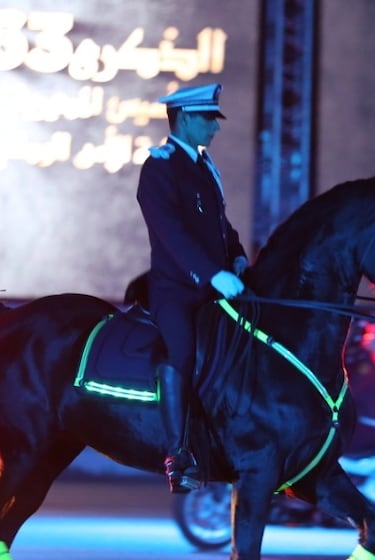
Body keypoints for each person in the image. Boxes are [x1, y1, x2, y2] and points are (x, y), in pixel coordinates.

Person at [137, 83, 249, 493]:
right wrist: (211, 273)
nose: (214, 129)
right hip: (177, 289)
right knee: (181, 353)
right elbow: (171, 232)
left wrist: (236, 255)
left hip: (215, 285)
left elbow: (219, 225)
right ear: (183, 118)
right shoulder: (160, 166)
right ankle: (177, 453)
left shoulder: (204, 166)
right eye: (207, 119)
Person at [344, 320, 375, 454]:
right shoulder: (348, 355)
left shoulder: (367, 360)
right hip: (352, 415)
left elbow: (352, 386)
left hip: (363, 420)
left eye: (350, 330)